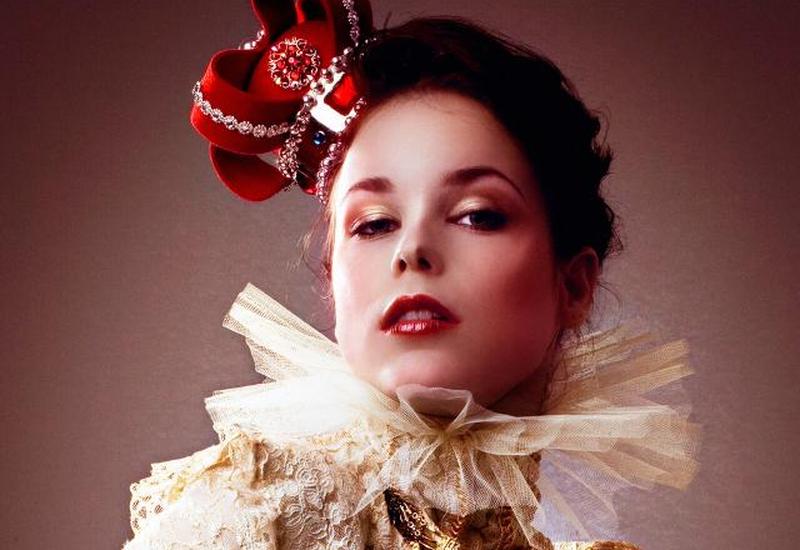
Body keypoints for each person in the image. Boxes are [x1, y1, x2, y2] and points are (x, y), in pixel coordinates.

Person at [122, 1, 702, 548]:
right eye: (374, 224)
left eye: (477, 215)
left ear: (574, 284)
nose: (413, 250)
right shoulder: (247, 513)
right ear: (332, 282)